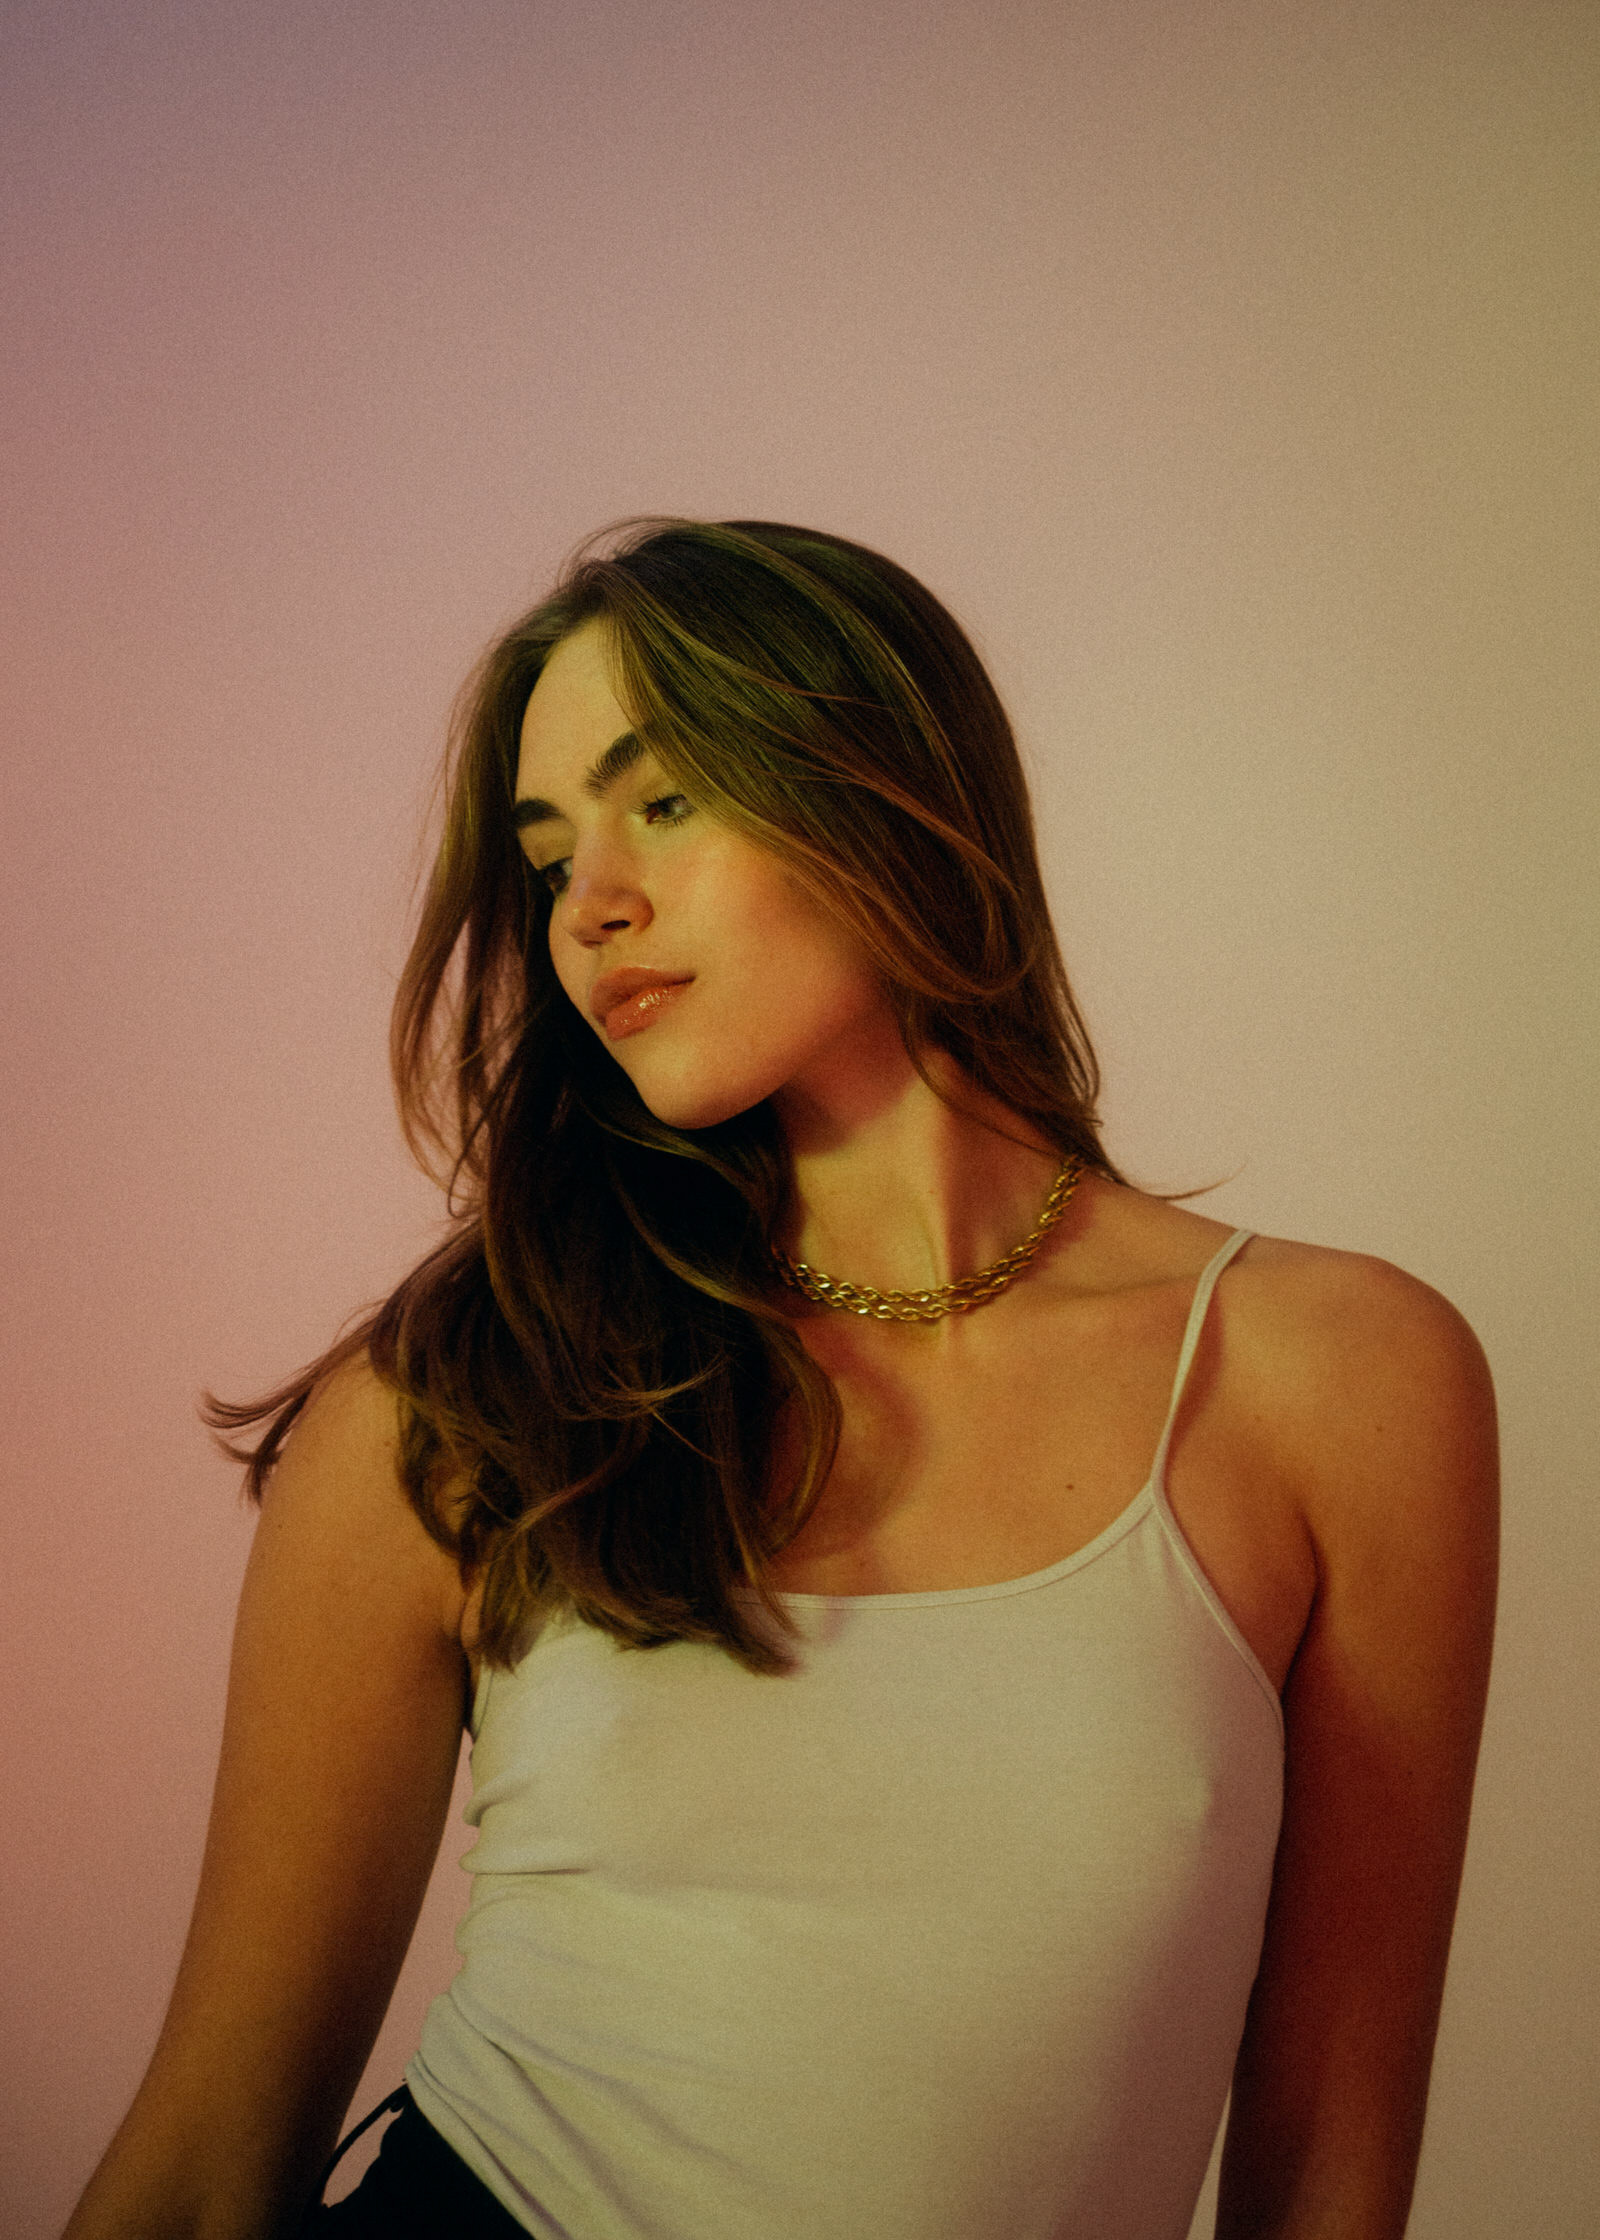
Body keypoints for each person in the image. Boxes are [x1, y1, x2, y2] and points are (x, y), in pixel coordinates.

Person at [63, 519, 1498, 2240]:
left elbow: (1332, 2154)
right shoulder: (464, 1401)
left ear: (886, 790)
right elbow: (205, 2169)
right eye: (547, 856)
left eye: (663, 802)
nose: (589, 905)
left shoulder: (1343, 1379)